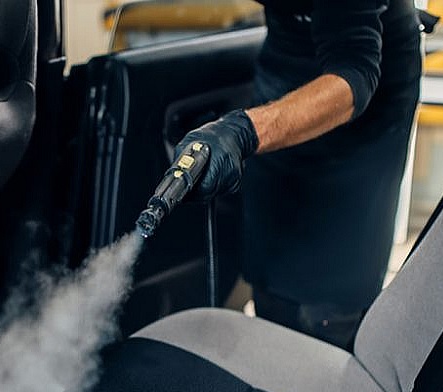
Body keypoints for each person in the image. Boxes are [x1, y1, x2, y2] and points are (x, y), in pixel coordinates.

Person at [177, 0, 424, 348]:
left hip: (355, 112)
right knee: (271, 260)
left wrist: (245, 131)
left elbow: (354, 75)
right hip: (289, 56)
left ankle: (329, 337)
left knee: (325, 291)